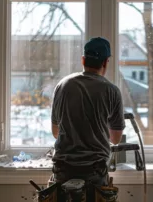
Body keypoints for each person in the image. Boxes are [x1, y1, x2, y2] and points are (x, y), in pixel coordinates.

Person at [50, 37, 125, 201]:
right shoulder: (111, 91)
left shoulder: (63, 85)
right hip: (94, 170)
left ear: (83, 60)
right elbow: (116, 139)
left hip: (63, 168)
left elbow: (56, 132)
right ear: (105, 62)